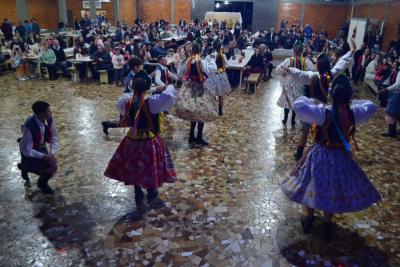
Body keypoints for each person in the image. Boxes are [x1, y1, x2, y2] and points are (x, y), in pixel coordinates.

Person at [281, 74, 381, 240]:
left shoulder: (323, 112)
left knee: (312, 185)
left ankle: (309, 218)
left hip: (321, 154)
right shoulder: (352, 113)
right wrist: (352, 103)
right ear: (349, 95)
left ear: (331, 93)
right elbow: (371, 106)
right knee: (332, 188)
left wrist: (313, 101)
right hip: (341, 156)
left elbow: (299, 105)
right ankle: (327, 223)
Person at [104, 71, 177, 213]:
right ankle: (151, 192)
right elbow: (169, 97)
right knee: (150, 166)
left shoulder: (126, 101)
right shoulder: (153, 102)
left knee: (134, 166)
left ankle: (138, 194)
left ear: (133, 88)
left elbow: (120, 103)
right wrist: (162, 88)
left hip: (131, 140)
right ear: (147, 88)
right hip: (149, 140)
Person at [287, 39, 355, 160]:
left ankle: (299, 153)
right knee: (321, 131)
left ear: (318, 66)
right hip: (325, 109)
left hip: (313, 107)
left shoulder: (313, 76)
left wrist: (289, 69)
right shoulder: (331, 74)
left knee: (306, 130)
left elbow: (300, 75)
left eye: (316, 63)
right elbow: (341, 65)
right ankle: (318, 153)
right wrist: (351, 52)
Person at [174, 44, 218, 147]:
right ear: (200, 51)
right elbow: (210, 71)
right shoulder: (201, 61)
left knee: (194, 111)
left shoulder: (188, 61)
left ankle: (191, 136)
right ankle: (198, 137)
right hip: (199, 88)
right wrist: (212, 60)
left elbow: (180, 73)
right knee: (201, 111)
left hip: (189, 87)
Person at [18, 101, 58, 194]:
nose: (50, 113)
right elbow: (26, 150)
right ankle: (25, 168)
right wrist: (43, 156)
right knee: (44, 169)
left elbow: (54, 137)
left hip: (40, 147)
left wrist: (51, 152)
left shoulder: (49, 119)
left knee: (51, 166)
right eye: (48, 111)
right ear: (41, 113)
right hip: (29, 149)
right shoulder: (29, 125)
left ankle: (41, 183)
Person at [276, 41, 314, 127]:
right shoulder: (306, 61)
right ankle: (293, 119)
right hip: (300, 84)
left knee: (287, 101)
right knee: (295, 102)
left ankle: (285, 118)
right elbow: (311, 72)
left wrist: (284, 72)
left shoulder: (288, 60)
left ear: (293, 50)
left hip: (289, 84)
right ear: (302, 51)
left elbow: (278, 69)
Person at [205, 40, 231, 116]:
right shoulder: (223, 56)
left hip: (213, 76)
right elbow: (227, 65)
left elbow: (207, 66)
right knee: (221, 94)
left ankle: (213, 108)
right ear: (220, 47)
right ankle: (220, 110)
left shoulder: (210, 56)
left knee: (212, 93)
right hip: (222, 76)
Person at [379, 65, 400, 138]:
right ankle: (392, 131)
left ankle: (392, 132)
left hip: (398, 94)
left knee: (390, 112)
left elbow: (398, 84)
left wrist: (386, 89)